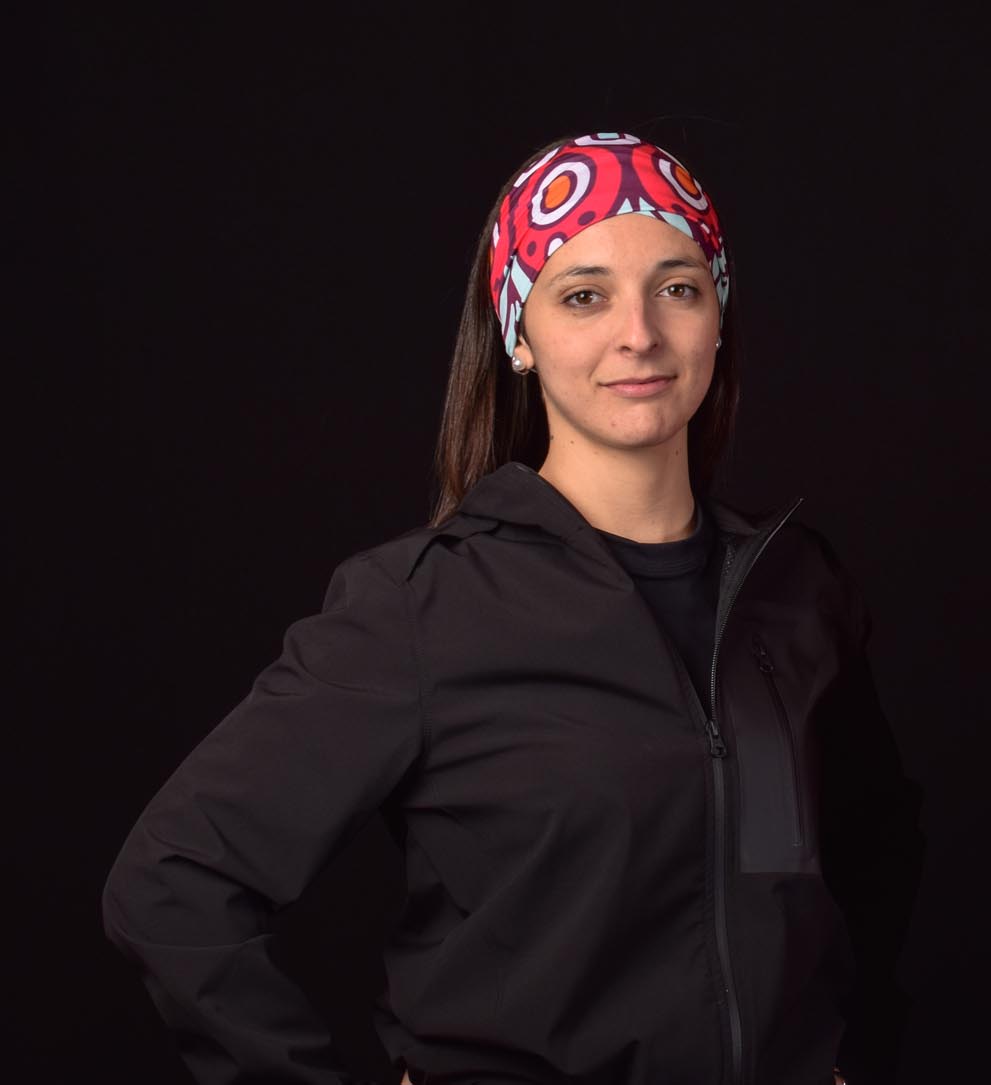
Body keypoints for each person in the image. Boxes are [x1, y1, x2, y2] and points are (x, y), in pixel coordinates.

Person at [103, 132, 920, 1085]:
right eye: (584, 296)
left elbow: (871, 856)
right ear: (518, 337)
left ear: (718, 315)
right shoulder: (423, 608)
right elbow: (172, 881)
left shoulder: (798, 590)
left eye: (677, 287)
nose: (639, 333)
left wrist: (844, 1055)